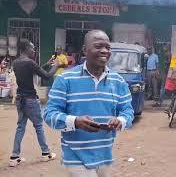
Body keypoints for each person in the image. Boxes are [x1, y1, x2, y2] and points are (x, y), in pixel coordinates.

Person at [44, 30, 134, 177]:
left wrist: (120, 120)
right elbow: (49, 114)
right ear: (85, 50)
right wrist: (75, 121)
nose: (104, 51)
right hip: (75, 157)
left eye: (107, 47)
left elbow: (127, 111)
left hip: (105, 156)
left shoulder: (118, 81)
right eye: (98, 46)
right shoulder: (65, 79)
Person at [9, 38, 60, 167]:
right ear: (26, 48)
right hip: (30, 100)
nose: (34, 50)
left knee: (20, 127)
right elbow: (47, 76)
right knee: (38, 126)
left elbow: (35, 71)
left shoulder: (16, 63)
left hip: (20, 99)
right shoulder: (30, 62)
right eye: (32, 48)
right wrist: (57, 66)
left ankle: (14, 157)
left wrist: (48, 64)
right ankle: (45, 153)